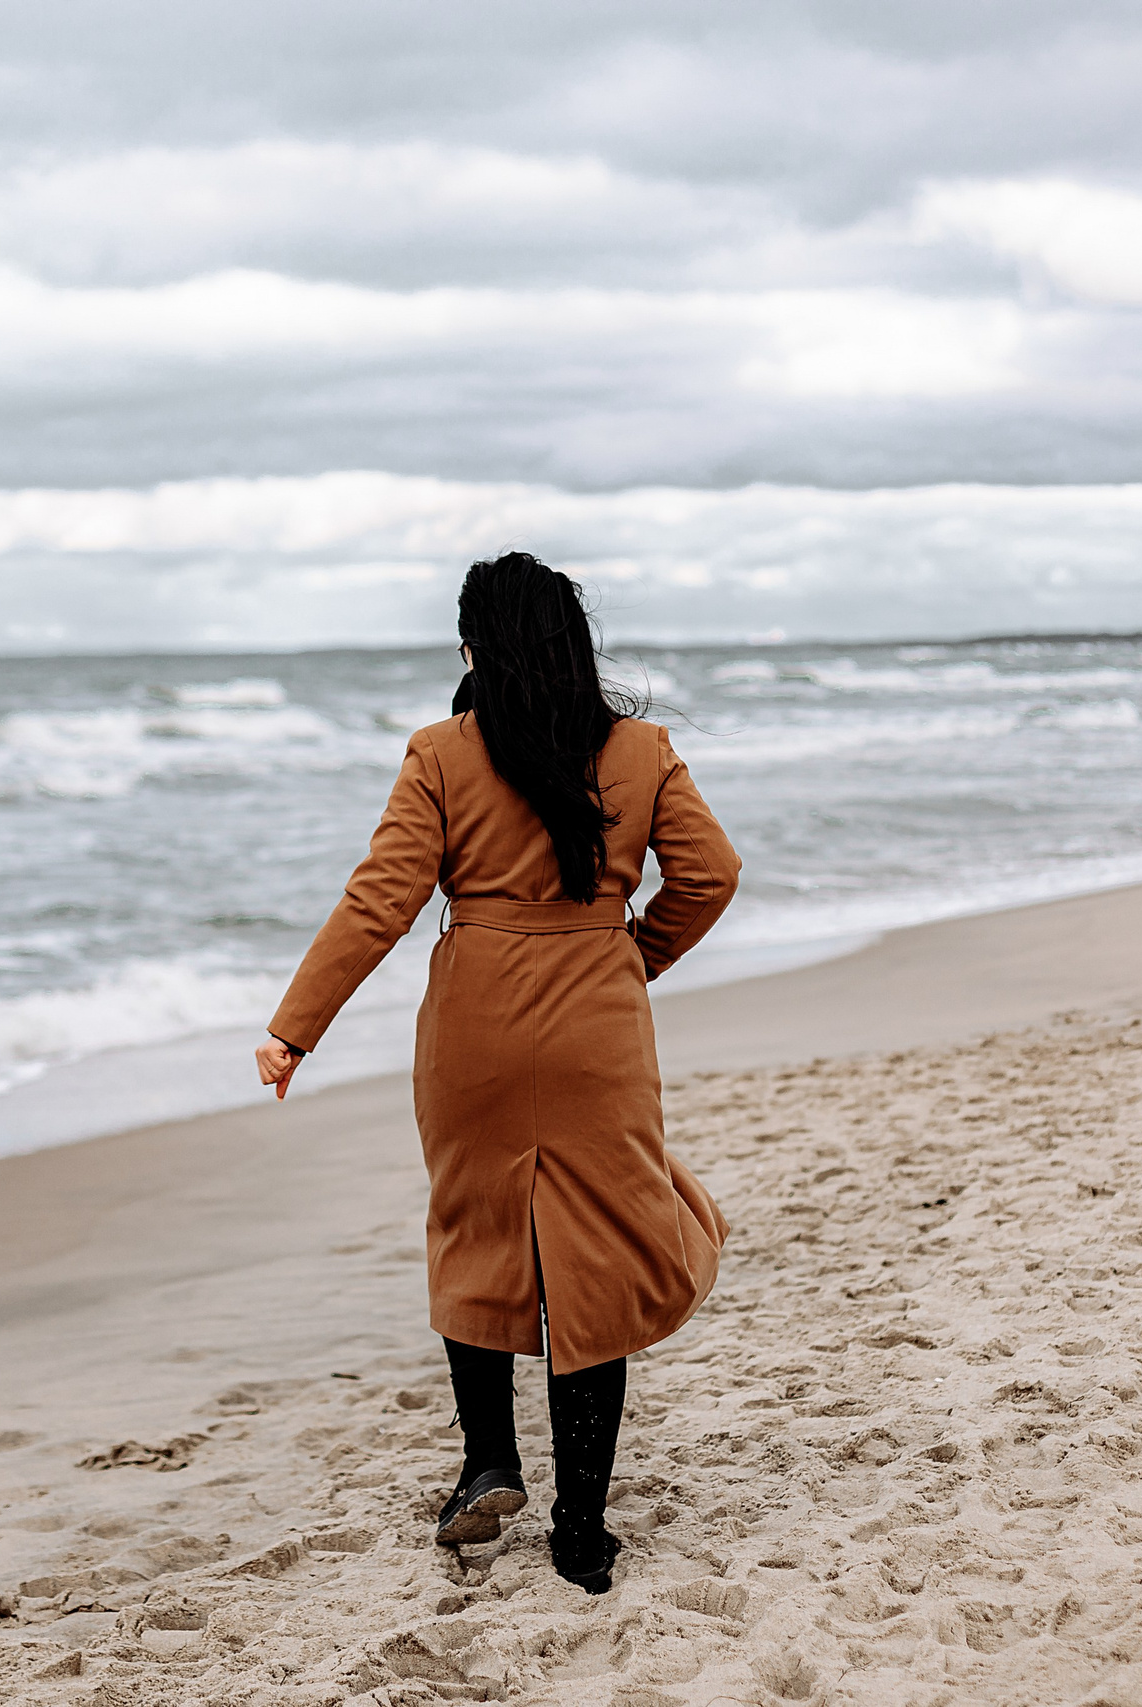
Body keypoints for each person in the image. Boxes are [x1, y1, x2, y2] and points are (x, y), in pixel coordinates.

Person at [251, 552, 741, 1594]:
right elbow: (711, 876)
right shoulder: (643, 750)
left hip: (473, 1026)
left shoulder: (440, 752)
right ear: (574, 642)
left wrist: (295, 1030)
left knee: (473, 1228)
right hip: (596, 1030)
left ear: (473, 647)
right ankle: (581, 1528)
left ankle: (487, 1464)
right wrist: (630, 955)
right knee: (600, 1255)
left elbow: (378, 903)